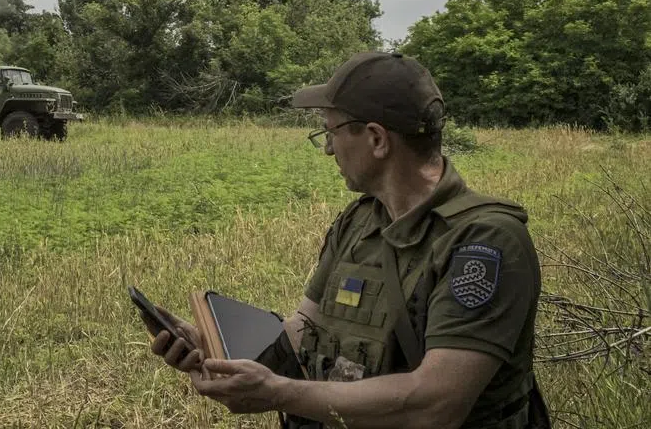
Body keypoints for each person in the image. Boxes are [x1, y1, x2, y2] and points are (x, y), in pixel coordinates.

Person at [143, 51, 550, 429]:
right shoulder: (360, 220)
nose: (327, 149)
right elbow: (302, 330)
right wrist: (214, 350)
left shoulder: (486, 240)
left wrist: (279, 393)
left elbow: (436, 403)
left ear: (377, 139)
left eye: (331, 131)